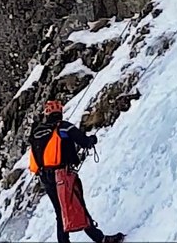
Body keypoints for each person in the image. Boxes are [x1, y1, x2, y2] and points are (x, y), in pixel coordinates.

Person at [28, 100, 125, 243]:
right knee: (78, 204)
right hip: (63, 175)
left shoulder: (36, 133)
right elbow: (84, 141)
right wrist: (92, 139)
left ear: (46, 114)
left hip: (44, 177)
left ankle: (69, 241)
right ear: (60, 112)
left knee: (60, 212)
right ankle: (100, 239)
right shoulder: (63, 127)